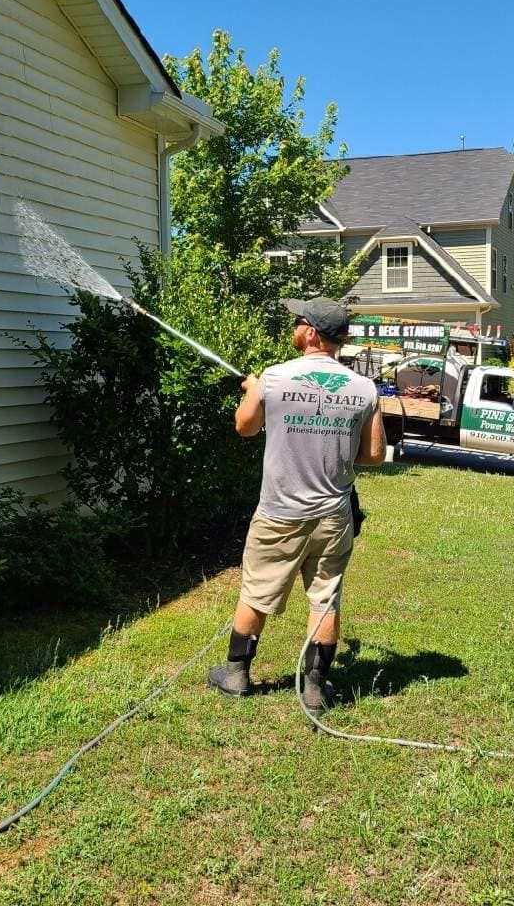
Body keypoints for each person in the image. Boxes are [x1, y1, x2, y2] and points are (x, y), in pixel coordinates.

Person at [207, 296, 387, 714]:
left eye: (298, 321)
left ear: (309, 332)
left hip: (279, 513)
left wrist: (253, 391)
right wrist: (334, 446)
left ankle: (235, 675)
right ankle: (315, 688)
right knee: (325, 598)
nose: (294, 326)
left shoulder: (272, 377)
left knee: (257, 589)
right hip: (333, 515)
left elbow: (244, 427)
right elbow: (375, 453)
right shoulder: (363, 388)